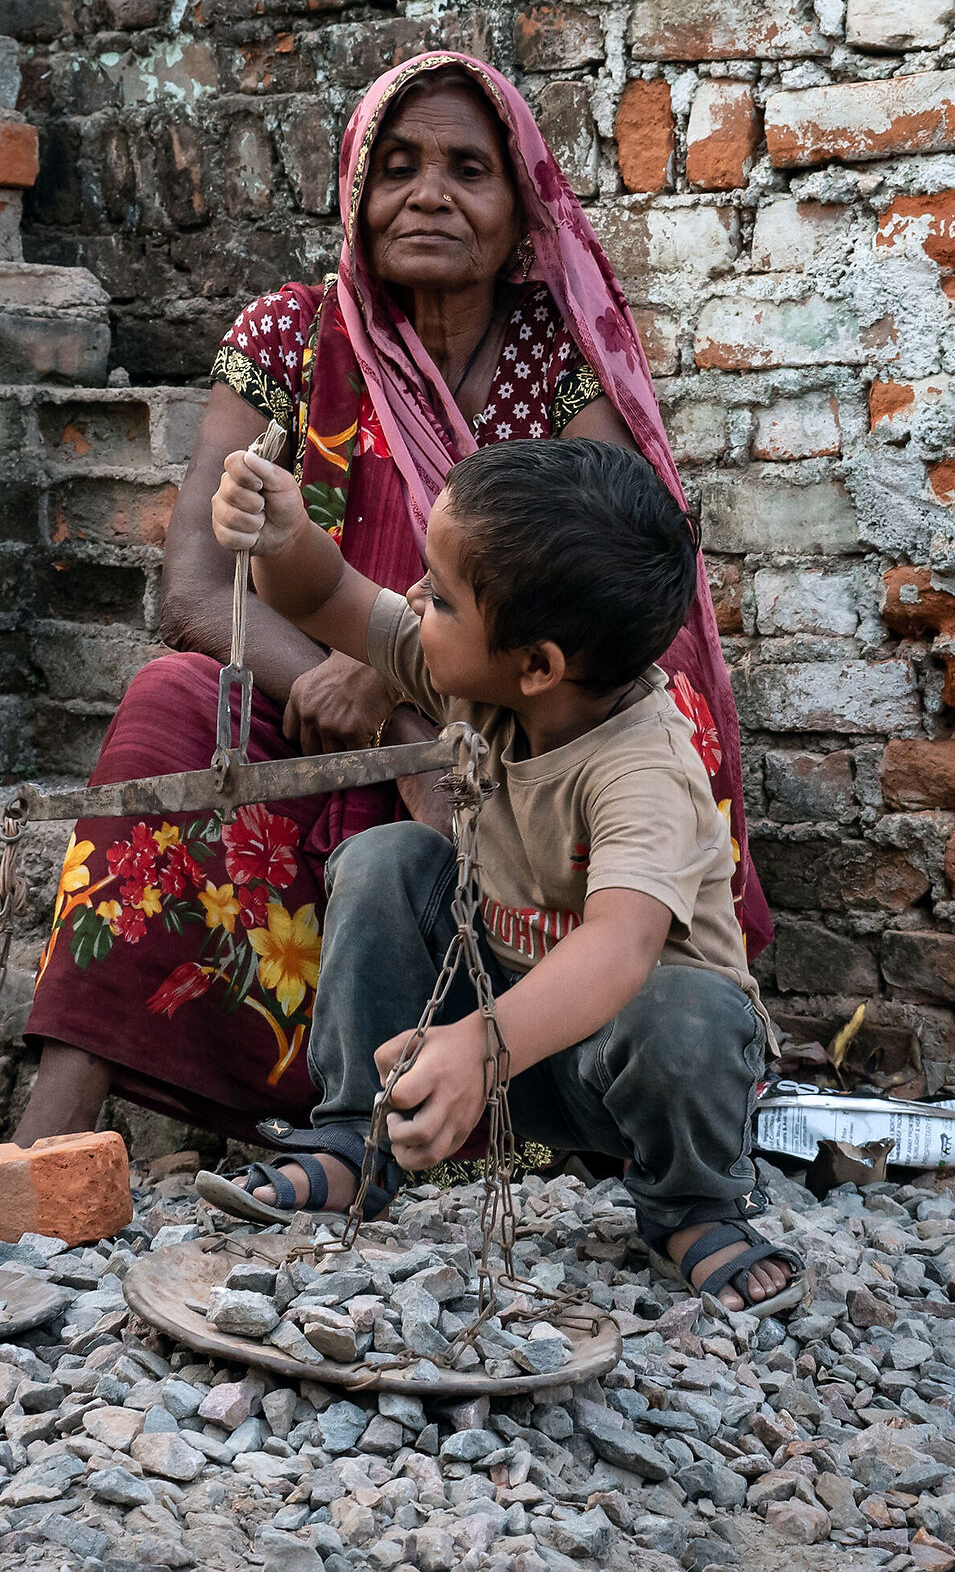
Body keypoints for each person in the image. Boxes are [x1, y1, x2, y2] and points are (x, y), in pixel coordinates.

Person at [0, 49, 770, 1232]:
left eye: (469, 169)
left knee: (611, 742)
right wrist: (367, 656)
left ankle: (514, 1104)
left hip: (499, 702)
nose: (430, 195)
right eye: (400, 166)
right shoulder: (288, 334)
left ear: (521, 202)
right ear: (355, 188)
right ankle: (73, 1106)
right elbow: (198, 593)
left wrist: (408, 688)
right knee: (171, 703)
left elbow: (619, 599)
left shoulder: (556, 349)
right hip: (352, 678)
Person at [194, 436, 807, 1315]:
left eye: (439, 598)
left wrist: (480, 1045)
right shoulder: (480, 676)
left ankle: (693, 1208)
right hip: (498, 1027)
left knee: (690, 1014)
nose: (414, 602)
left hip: (618, 1062)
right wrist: (282, 533)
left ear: (539, 664)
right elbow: (327, 596)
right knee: (389, 861)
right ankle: (350, 1142)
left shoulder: (644, 769)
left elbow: (623, 946)